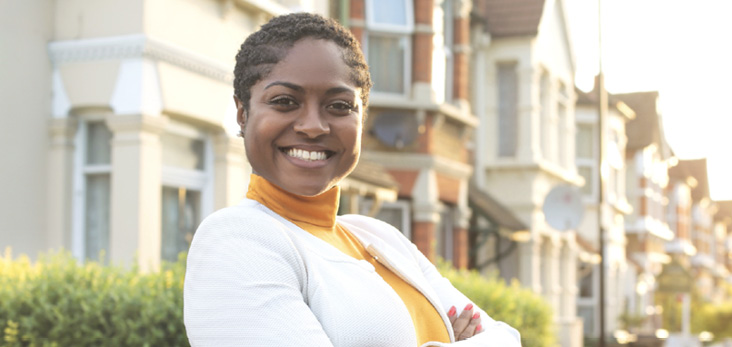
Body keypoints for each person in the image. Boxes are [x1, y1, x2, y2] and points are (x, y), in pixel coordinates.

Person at [183, 12, 521, 347]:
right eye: (285, 102)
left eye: (339, 106)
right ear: (243, 114)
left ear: (362, 117)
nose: (314, 126)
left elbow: (507, 339)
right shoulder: (235, 239)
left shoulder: (382, 238)